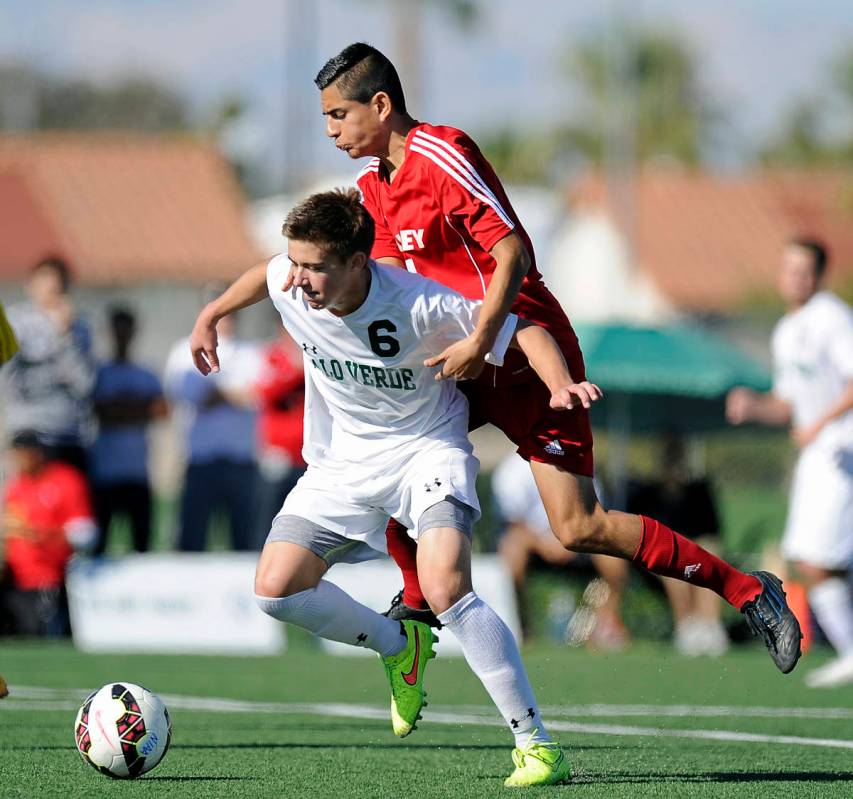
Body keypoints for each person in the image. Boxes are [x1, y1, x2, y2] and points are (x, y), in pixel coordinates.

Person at [309, 41, 802, 674]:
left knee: (580, 528)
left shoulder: (442, 152)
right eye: (326, 118)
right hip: (466, 359)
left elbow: (514, 252)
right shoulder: (370, 187)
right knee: (398, 450)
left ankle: (748, 590)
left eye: (338, 115)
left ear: (381, 104)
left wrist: (483, 340)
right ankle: (415, 601)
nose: (331, 131)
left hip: (526, 350)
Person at [189, 188, 583, 786]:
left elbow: (523, 329)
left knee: (446, 586)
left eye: (315, 266)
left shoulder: (419, 302)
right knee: (275, 590)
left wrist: (559, 384)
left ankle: (535, 743)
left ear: (357, 262)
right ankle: (399, 645)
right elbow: (263, 276)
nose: (299, 280)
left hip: (427, 449)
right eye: (295, 262)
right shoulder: (292, 279)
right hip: (342, 464)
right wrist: (211, 314)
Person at [727, 237, 853, 687]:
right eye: (788, 269)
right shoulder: (786, 330)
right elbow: (786, 404)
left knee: (817, 558)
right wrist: (753, 407)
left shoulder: (832, 319)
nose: (794, 278)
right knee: (810, 556)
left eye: (804, 271)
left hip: (842, 451)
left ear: (818, 275)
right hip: (817, 454)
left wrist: (820, 424)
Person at [493, 453, 630, 648]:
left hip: (578, 540)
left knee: (614, 556)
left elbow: (593, 516)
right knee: (512, 549)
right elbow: (513, 523)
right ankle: (521, 628)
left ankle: (603, 626)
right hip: (533, 544)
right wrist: (544, 542)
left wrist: (570, 539)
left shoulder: (578, 463)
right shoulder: (512, 470)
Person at [164, 296, 262, 552]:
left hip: (241, 460)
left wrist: (219, 392)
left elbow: (256, 396)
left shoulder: (251, 353)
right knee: (192, 540)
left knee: (245, 541)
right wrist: (233, 394)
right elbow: (189, 396)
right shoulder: (182, 351)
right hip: (200, 460)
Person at [627, 432, 728, 656]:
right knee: (673, 559)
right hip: (658, 556)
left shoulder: (699, 491)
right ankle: (687, 625)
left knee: (708, 552)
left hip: (695, 552)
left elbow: (712, 531)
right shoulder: (645, 494)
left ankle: (709, 624)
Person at [1, 430, 96, 636]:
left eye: (22, 453)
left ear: (37, 453)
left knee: (35, 632)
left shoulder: (65, 480)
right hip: (14, 578)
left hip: (48, 577)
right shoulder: (17, 486)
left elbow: (85, 534)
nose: (17, 460)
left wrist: (40, 534)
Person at [3, 257, 94, 471]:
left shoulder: (79, 327)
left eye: (58, 288)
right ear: (30, 286)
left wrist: (65, 337)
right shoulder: (15, 322)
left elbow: (85, 384)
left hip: (68, 433)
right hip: (29, 434)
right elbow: (7, 378)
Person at [89, 307, 167, 555]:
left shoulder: (145, 373)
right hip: (105, 473)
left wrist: (119, 408)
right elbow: (99, 412)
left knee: (141, 546)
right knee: (99, 545)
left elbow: (161, 411)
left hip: (137, 472)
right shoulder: (98, 373)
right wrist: (137, 408)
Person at [251, 329, 306, 548]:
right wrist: (296, 371)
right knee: (269, 516)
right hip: (279, 454)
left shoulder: (320, 350)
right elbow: (264, 393)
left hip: (311, 454)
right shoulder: (271, 356)